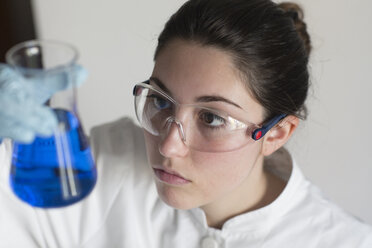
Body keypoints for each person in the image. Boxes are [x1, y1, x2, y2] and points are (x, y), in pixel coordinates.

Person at [0, 0, 371, 247]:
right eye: (160, 101)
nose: (167, 146)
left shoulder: (341, 240)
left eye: (211, 117)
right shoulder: (95, 163)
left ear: (276, 132)